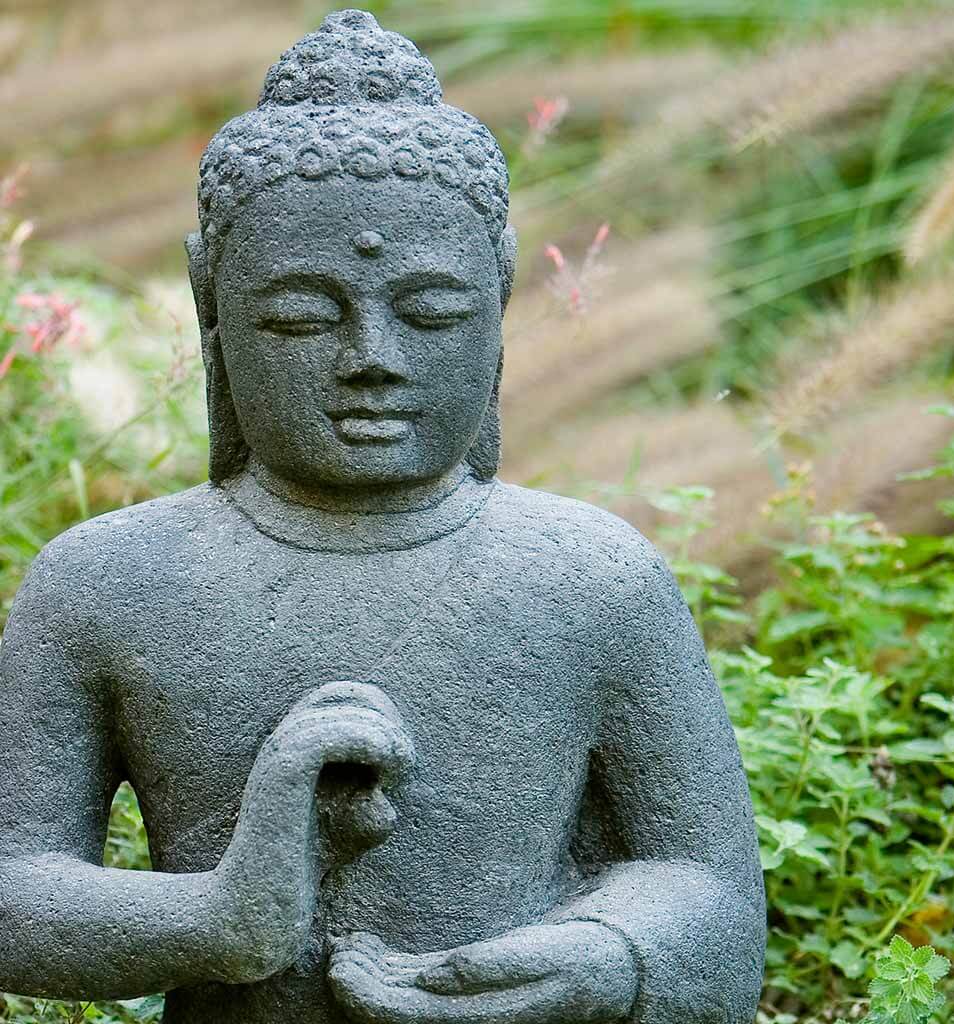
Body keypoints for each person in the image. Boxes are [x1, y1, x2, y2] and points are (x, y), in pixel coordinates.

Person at [0, 11, 765, 1024]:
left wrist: (599, 960)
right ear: (210, 307)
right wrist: (218, 919)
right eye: (301, 317)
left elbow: (713, 893)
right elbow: (12, 889)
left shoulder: (594, 577)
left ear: (499, 301)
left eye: (432, 312)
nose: (373, 357)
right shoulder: (105, 582)